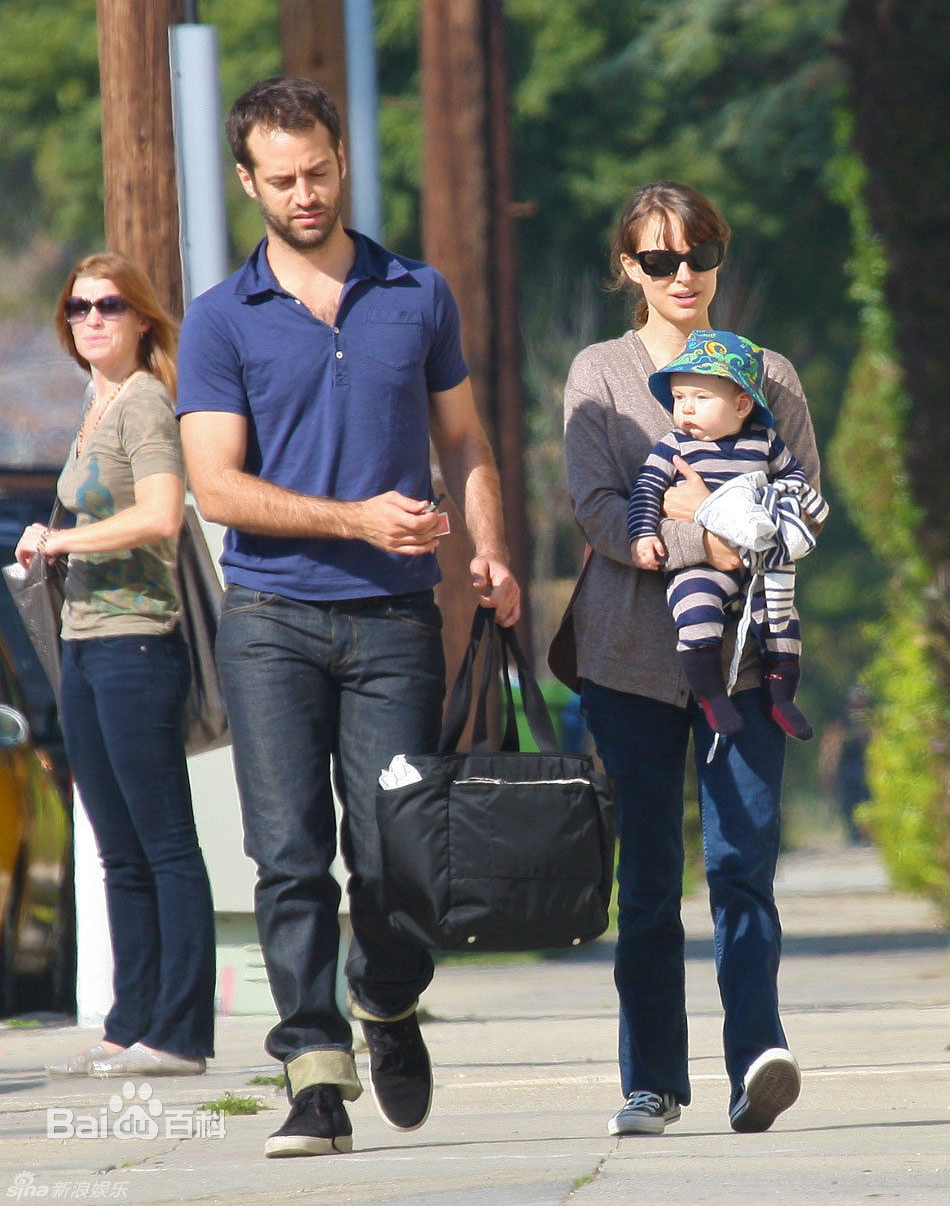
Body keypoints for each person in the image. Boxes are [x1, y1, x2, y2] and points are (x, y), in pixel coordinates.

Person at [176, 76, 520, 1159]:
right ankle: (314, 1074)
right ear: (248, 183)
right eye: (280, 179)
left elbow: (462, 440)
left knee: (396, 856)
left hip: (396, 623)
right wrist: (353, 519)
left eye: (318, 169)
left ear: (342, 159)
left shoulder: (415, 292)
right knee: (287, 852)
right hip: (272, 617)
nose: (304, 192)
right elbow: (218, 487)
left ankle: (384, 996)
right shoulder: (221, 318)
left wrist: (492, 549)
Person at [564, 180, 820, 1136]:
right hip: (628, 659)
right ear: (628, 267)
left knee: (744, 866)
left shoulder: (773, 374)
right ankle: (651, 1080)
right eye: (661, 259)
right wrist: (706, 535)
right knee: (650, 879)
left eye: (699, 255)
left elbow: (798, 512)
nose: (684, 275)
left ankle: (757, 1055)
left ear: (719, 259)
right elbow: (596, 510)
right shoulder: (599, 373)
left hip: (749, 660)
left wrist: (695, 510)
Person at [15, 252, 215, 1079]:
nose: (90, 319)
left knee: (165, 843)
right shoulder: (95, 407)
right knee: (117, 849)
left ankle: (181, 1031)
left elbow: (162, 515)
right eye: (77, 308)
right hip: (88, 644)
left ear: (140, 319)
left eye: (107, 306)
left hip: (138, 641)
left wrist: (57, 536)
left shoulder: (143, 404)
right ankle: (130, 1021)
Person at [627, 328, 828, 741]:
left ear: (741, 404)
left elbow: (794, 478)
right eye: (679, 398)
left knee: (781, 622)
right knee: (696, 615)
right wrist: (642, 535)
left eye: (701, 399)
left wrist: (797, 504)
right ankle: (713, 697)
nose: (686, 410)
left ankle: (782, 697)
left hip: (758, 566)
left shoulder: (765, 442)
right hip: (701, 565)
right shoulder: (673, 446)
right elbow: (645, 491)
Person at [818, 684, 873, 842]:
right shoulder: (842, 721)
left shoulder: (867, 722)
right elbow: (832, 748)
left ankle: (863, 835)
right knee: (851, 803)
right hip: (848, 769)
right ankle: (855, 835)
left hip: (863, 768)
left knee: (863, 802)